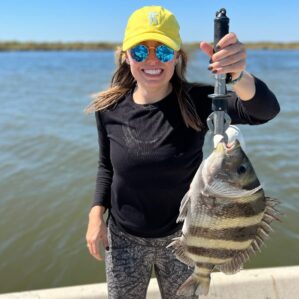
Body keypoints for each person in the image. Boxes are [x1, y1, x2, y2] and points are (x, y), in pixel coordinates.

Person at [85, 5, 280, 299]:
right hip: (124, 237)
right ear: (126, 57)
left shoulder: (199, 101)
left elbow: (264, 111)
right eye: (140, 52)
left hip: (188, 237)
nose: (152, 60)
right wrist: (96, 213)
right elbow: (105, 166)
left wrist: (238, 75)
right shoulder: (108, 108)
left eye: (163, 51)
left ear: (177, 57)